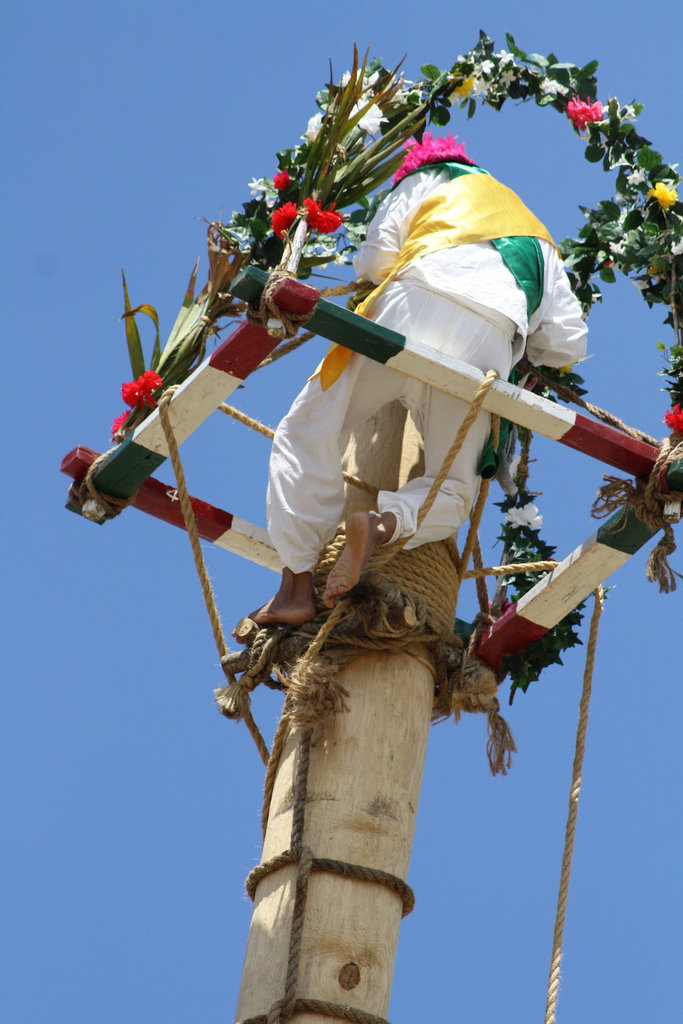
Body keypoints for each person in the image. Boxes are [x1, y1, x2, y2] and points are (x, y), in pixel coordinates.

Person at [248, 133, 587, 627]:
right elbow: (567, 343)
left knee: (307, 430)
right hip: (490, 341)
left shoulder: (426, 178)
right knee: (452, 489)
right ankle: (383, 527)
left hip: (413, 305)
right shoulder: (539, 237)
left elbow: (375, 261)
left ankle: (296, 584)